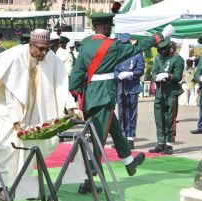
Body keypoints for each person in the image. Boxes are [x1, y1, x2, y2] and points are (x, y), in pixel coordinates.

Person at [69, 12, 174, 183]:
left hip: (90, 96)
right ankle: (88, 179)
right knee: (98, 138)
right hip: (103, 97)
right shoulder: (112, 46)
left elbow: (76, 76)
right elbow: (138, 47)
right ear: (103, 26)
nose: (110, 29)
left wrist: (78, 96)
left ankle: (129, 162)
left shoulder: (86, 45)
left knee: (115, 129)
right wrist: (161, 36)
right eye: (109, 26)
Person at [0, 29, 78, 191]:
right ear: (30, 44)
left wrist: (71, 106)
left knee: (30, 148)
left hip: (34, 110)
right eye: (40, 48)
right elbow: (10, 94)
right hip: (6, 109)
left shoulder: (51, 58)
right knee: (7, 147)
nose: (44, 53)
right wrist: (16, 121)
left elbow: (60, 84)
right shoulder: (14, 57)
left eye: (47, 48)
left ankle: (21, 186)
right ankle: (1, 187)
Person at [148, 39, 184, 155]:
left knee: (170, 118)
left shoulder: (177, 59)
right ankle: (161, 142)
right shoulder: (158, 57)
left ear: (170, 49)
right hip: (159, 92)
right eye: (160, 50)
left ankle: (169, 144)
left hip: (171, 92)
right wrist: (155, 76)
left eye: (164, 50)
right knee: (159, 118)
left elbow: (178, 76)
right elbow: (153, 71)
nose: (161, 53)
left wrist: (167, 75)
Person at [114, 33, 145, 150]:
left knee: (131, 113)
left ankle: (130, 138)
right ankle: (122, 137)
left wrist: (131, 73)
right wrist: (118, 75)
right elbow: (114, 69)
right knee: (121, 113)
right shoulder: (118, 54)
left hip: (132, 86)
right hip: (121, 87)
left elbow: (140, 69)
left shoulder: (137, 53)